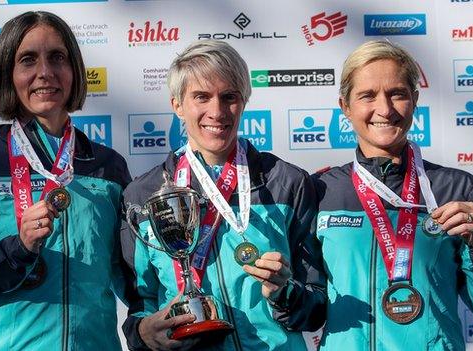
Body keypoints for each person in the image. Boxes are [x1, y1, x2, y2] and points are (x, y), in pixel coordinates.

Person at [0, 11, 130, 350]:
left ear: (74, 71)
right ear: (9, 74)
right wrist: (16, 250)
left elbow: (133, 279)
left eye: (57, 58)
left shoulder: (107, 166)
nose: (45, 73)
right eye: (28, 60)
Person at [121, 39, 326, 350]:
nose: (216, 112)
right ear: (177, 104)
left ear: (243, 101)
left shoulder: (287, 182)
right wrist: (143, 333)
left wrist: (285, 293)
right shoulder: (144, 194)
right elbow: (138, 302)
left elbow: (317, 306)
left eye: (229, 97)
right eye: (201, 97)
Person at [314, 40, 473, 350]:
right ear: (345, 107)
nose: (385, 109)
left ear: (414, 100)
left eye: (397, 94)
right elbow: (306, 311)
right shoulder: (322, 191)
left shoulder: (457, 189)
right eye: (368, 96)